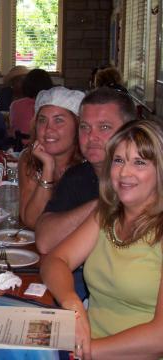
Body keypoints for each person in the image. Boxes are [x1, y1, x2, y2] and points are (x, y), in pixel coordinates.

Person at [41, 120, 163, 359]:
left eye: (139, 162)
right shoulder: (106, 215)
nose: (124, 172)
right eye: (119, 160)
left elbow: (159, 339)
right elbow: (54, 260)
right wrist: (72, 303)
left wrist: (85, 352)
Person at [35, 87, 136, 254]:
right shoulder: (77, 176)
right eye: (85, 127)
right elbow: (45, 241)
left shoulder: (145, 182)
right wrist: (103, 204)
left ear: (129, 131)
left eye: (104, 127)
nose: (91, 136)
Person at [18, 86, 85, 229]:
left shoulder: (89, 165)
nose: (48, 129)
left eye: (59, 120)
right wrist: (48, 168)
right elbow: (32, 221)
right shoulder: (29, 158)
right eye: (42, 120)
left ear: (77, 126)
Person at [9, 68, 53, 138]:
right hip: (39, 145)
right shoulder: (50, 106)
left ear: (26, 85)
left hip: (18, 146)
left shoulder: (15, 105)